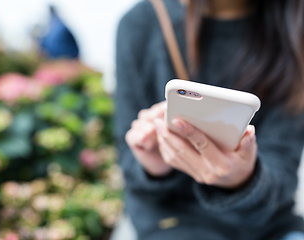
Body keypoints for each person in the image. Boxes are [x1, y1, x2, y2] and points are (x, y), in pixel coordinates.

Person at [114, 0, 304, 239]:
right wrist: (154, 165)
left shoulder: (294, 28)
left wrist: (243, 180)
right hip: (177, 223)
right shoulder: (143, 22)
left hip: (266, 225)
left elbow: (283, 170)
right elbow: (127, 161)